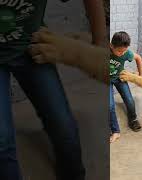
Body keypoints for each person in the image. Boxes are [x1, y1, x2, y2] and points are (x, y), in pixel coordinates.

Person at [0, 0, 107, 179]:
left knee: (64, 127)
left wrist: (97, 44)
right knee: (2, 140)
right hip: (36, 44)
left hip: (32, 45)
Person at [109, 31, 142, 143]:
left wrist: (140, 76)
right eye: (119, 51)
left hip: (120, 78)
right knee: (110, 105)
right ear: (111, 46)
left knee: (129, 100)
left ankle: (133, 120)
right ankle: (115, 131)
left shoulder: (126, 53)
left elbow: (138, 58)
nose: (122, 54)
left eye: (124, 51)